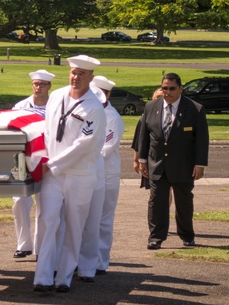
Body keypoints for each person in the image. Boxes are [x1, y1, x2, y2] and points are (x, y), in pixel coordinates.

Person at [33, 55, 106, 294]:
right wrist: (42, 160)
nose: (76, 78)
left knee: (75, 227)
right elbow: (46, 131)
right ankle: (43, 276)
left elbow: (82, 146)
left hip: (79, 175)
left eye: (82, 74)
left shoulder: (94, 108)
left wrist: (51, 165)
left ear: (91, 78)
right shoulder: (56, 96)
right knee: (47, 221)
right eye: (74, 72)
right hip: (52, 174)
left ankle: (64, 277)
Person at [133, 72, 209, 250]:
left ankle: (187, 235)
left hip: (183, 165)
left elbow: (201, 140)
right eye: (164, 88)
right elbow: (145, 136)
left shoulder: (195, 109)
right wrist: (142, 160)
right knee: (157, 202)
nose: (167, 92)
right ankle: (156, 237)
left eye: (172, 89)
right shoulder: (151, 107)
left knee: (184, 202)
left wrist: (200, 164)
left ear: (180, 89)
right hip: (157, 164)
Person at [11, 69, 53, 259]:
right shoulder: (20, 106)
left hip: (48, 159)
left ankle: (40, 246)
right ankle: (23, 244)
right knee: (20, 201)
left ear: (49, 86)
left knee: (45, 203)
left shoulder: (55, 106)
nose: (38, 88)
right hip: (23, 159)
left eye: (42, 84)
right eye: (36, 84)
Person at [88, 76, 124, 276]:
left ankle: (101, 261)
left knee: (103, 219)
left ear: (107, 94)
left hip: (107, 174)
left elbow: (105, 148)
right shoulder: (90, 110)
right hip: (88, 172)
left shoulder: (111, 117)